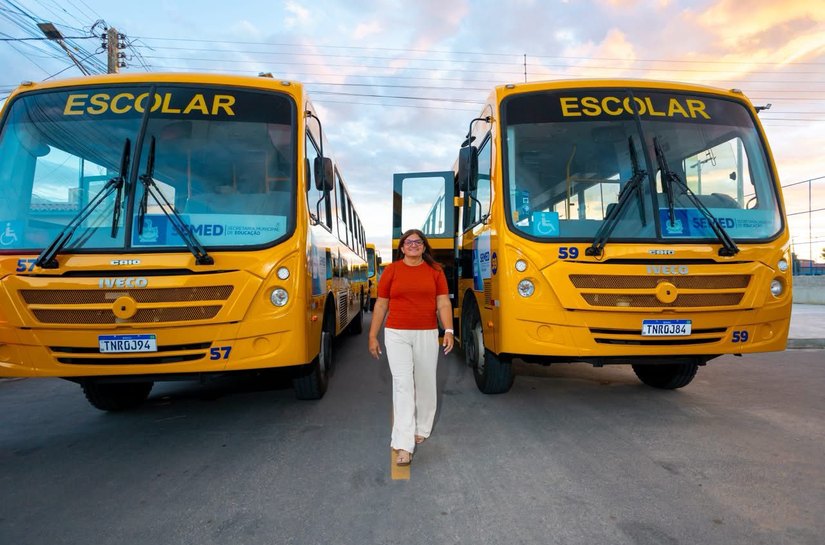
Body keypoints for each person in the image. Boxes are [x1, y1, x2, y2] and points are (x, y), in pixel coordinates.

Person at [368, 229, 454, 466]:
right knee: (403, 385)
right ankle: (404, 443)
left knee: (426, 382)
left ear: (424, 247)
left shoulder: (435, 271)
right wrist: (373, 335)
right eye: (409, 242)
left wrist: (448, 330)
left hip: (427, 333)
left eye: (418, 242)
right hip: (396, 333)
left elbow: (443, 302)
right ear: (402, 248)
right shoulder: (392, 271)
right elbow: (381, 305)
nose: (413, 245)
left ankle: (423, 427)